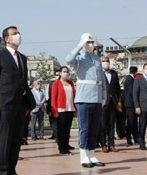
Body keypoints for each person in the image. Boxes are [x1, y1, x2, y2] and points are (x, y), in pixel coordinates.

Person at [0, 26, 35, 175]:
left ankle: (12, 170)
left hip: (20, 104)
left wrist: (28, 103)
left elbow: (23, 82)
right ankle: (3, 172)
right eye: (14, 34)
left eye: (18, 33)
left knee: (16, 139)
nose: (18, 35)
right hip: (5, 103)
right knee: (5, 139)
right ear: (7, 39)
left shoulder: (22, 57)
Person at [66, 33, 107, 167]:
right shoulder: (78, 58)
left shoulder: (96, 58)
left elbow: (102, 79)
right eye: (88, 42)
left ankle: (91, 154)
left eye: (91, 42)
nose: (90, 44)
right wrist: (79, 45)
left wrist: (104, 96)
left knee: (95, 128)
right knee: (85, 128)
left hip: (97, 97)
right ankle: (83, 156)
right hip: (84, 97)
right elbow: (68, 59)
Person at [50, 66, 76, 155]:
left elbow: (74, 96)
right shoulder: (56, 84)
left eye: (67, 71)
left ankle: (66, 147)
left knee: (67, 130)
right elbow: (53, 98)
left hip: (70, 109)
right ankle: (62, 148)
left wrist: (75, 109)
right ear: (60, 73)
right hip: (61, 109)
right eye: (64, 71)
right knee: (61, 130)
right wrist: (55, 111)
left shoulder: (71, 83)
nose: (66, 73)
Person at [100, 56, 121, 153]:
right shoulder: (98, 73)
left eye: (107, 61)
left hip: (112, 102)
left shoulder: (114, 73)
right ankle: (103, 144)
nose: (106, 62)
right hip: (102, 102)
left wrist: (119, 101)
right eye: (103, 61)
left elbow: (117, 89)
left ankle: (111, 144)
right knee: (103, 125)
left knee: (111, 124)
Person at [124, 67, 139, 145]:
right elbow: (131, 92)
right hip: (130, 104)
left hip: (132, 104)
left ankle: (136, 137)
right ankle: (129, 139)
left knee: (134, 122)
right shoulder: (130, 79)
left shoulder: (131, 79)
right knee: (130, 122)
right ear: (135, 72)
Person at [46, 70, 61, 140]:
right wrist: (49, 108)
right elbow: (50, 96)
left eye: (59, 75)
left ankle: (58, 137)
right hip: (54, 106)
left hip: (62, 106)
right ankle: (57, 137)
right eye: (57, 75)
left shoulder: (65, 83)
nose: (58, 76)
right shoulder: (52, 84)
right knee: (54, 122)